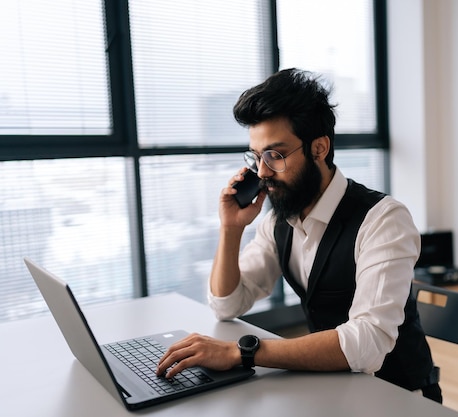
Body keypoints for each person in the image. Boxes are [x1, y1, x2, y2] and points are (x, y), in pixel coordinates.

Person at [156, 68, 442, 402]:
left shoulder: (383, 220)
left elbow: (367, 343)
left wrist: (244, 353)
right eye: (256, 156)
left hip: (398, 397)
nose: (262, 172)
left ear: (319, 148)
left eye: (275, 155)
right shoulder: (279, 221)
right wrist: (231, 229)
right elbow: (227, 303)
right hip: (331, 389)